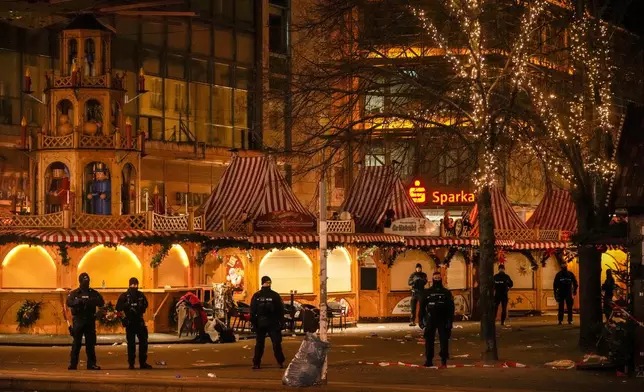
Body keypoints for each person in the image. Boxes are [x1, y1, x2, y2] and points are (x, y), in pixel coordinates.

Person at [67, 272, 105, 370]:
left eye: (87, 280)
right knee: (76, 343)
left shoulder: (93, 293)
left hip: (89, 320)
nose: (86, 281)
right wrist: (78, 301)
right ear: (80, 281)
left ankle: (91, 364)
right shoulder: (75, 293)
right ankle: (73, 364)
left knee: (90, 344)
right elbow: (69, 302)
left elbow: (101, 303)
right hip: (78, 320)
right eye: (84, 280)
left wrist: (91, 301)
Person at [419, 271, 455, 367]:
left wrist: (450, 321)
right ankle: (429, 360)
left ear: (441, 279)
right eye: (435, 278)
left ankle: (443, 359)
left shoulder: (446, 292)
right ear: (432, 279)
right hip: (430, 318)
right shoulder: (427, 292)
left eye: (439, 278)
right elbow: (422, 307)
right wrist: (420, 320)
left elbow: (451, 308)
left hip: (443, 319)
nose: (437, 280)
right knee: (429, 339)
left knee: (444, 339)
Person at [250, 276, 286, 369]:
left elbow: (252, 311)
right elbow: (280, 310)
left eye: (269, 282)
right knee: (271, 343)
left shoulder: (257, 295)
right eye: (267, 282)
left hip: (265, 322)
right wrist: (281, 322)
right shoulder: (273, 295)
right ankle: (278, 361)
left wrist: (253, 324)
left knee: (265, 344)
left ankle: (257, 363)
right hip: (270, 322)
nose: (268, 284)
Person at [116, 277, 152, 370]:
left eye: (135, 285)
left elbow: (146, 305)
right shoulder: (124, 296)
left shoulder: (140, 295)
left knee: (143, 342)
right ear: (129, 285)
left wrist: (140, 306)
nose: (134, 286)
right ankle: (131, 363)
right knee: (131, 344)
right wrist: (124, 312)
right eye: (132, 285)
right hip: (130, 322)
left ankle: (143, 363)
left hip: (139, 321)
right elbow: (118, 308)